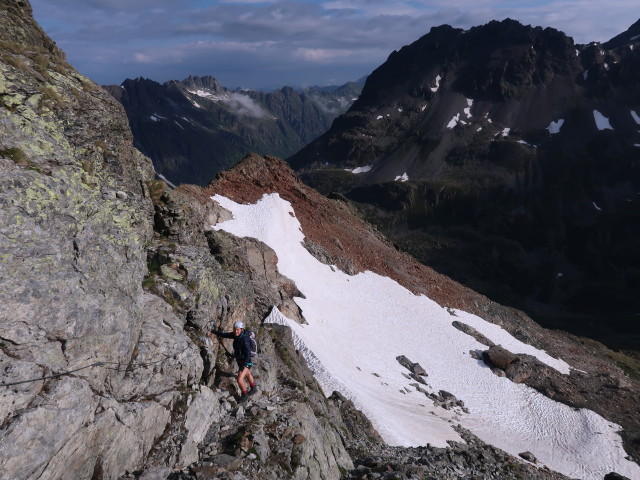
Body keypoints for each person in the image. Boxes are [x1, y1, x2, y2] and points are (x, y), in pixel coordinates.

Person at [211, 321, 257, 401]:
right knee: (248, 373)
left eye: (238, 330)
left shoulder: (244, 339)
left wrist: (244, 365)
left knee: (239, 379)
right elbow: (225, 335)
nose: (236, 331)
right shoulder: (236, 335)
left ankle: (245, 394)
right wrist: (214, 332)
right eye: (235, 329)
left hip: (246, 361)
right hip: (240, 360)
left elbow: (248, 353)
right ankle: (253, 388)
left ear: (242, 329)